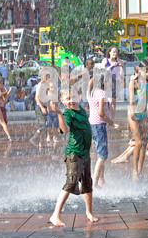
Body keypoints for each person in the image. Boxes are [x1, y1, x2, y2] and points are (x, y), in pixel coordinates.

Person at [48, 90, 98, 227]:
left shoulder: (80, 109)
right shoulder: (67, 113)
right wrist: (58, 113)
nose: (71, 100)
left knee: (87, 183)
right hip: (74, 153)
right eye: (67, 98)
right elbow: (65, 130)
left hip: (85, 153)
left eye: (74, 97)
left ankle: (89, 212)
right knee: (71, 182)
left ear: (79, 96)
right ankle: (55, 215)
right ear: (63, 102)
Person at [87, 68, 114, 188]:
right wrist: (111, 121)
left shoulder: (91, 91)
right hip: (99, 125)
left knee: (101, 153)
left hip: (92, 125)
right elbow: (101, 113)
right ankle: (95, 182)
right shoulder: (102, 93)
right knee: (102, 156)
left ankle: (101, 180)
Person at [102, 46, 124, 128]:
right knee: (108, 102)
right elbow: (103, 71)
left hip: (114, 82)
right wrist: (111, 66)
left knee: (113, 103)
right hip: (106, 81)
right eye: (113, 52)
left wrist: (121, 67)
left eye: (116, 52)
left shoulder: (118, 62)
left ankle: (112, 121)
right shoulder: (105, 60)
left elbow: (121, 76)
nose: (115, 54)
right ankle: (106, 120)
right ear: (109, 52)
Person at [30, 71, 51, 148]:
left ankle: (41, 143)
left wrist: (48, 106)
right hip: (39, 107)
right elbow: (36, 98)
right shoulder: (40, 85)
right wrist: (42, 107)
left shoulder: (47, 85)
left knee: (45, 125)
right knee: (43, 125)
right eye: (48, 77)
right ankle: (33, 139)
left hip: (45, 106)